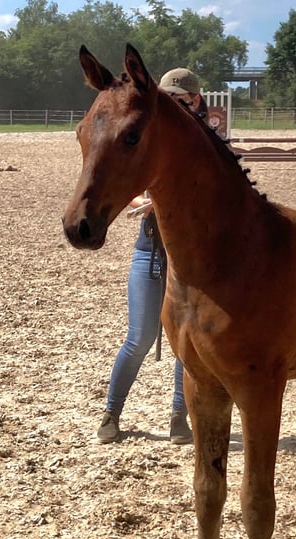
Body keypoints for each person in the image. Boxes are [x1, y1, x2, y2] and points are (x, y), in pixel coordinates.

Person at [96, 67, 208, 445]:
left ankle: (180, 416)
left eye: (181, 99)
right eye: (168, 99)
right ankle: (111, 411)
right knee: (139, 336)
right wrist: (146, 199)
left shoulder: (210, 143)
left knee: (186, 342)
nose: (174, 105)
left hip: (193, 256)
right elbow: (132, 181)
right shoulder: (152, 134)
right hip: (151, 248)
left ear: (195, 100)